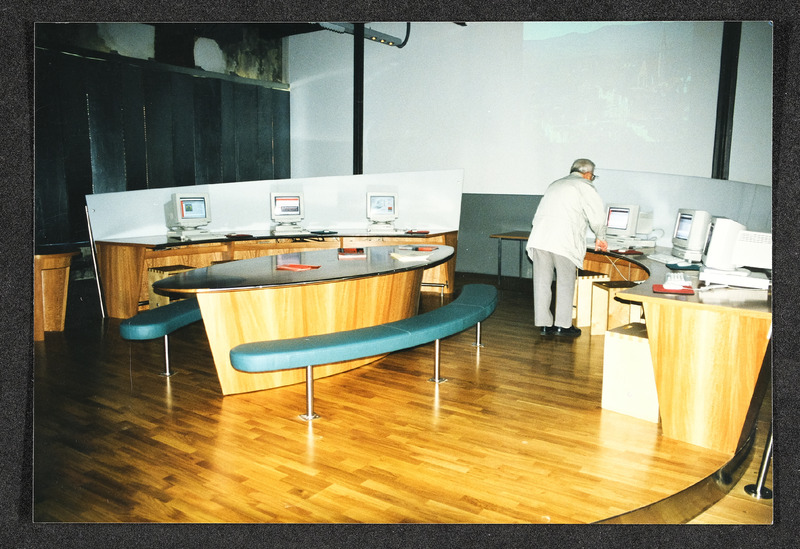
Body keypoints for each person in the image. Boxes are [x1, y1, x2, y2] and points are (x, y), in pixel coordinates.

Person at [526, 158, 608, 337]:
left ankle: (544, 324)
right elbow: (597, 216)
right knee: (565, 282)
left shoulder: (555, 184)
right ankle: (562, 326)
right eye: (592, 176)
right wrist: (601, 237)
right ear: (588, 174)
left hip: (540, 238)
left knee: (541, 283)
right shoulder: (584, 185)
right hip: (563, 240)